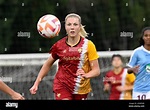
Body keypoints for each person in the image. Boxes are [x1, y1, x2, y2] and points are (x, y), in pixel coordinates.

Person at [30, 13, 100, 100]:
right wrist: (36, 83)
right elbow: (47, 64)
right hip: (62, 85)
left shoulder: (88, 45)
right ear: (65, 27)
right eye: (69, 24)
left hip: (81, 88)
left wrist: (86, 75)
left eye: (75, 24)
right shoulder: (59, 45)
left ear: (80, 27)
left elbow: (96, 71)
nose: (72, 27)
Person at [127, 27, 150, 100]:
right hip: (140, 89)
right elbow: (128, 70)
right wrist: (132, 69)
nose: (148, 37)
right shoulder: (137, 52)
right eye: (146, 35)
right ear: (143, 37)